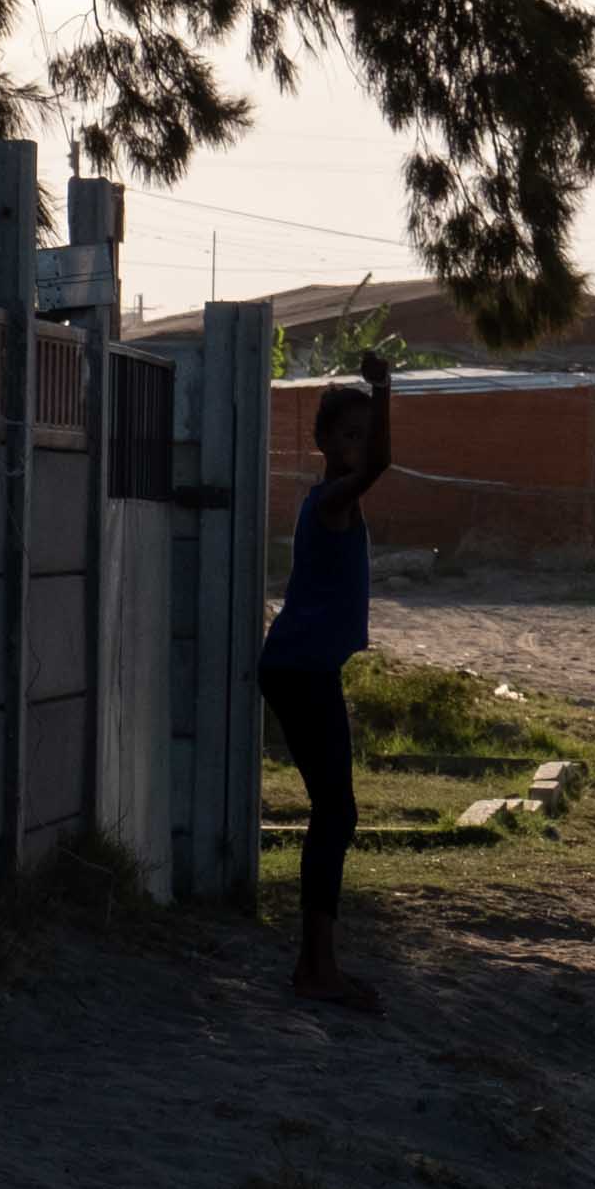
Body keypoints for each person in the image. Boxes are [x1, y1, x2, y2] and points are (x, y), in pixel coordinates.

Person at [256, 354, 393, 1014]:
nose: (357, 447)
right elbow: (379, 467)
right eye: (347, 434)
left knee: (334, 813)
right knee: (335, 814)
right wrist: (386, 389)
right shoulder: (334, 500)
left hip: (304, 666)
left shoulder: (330, 501)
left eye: (363, 435)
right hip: (299, 668)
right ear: (323, 442)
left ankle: (318, 964)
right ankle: (315, 969)